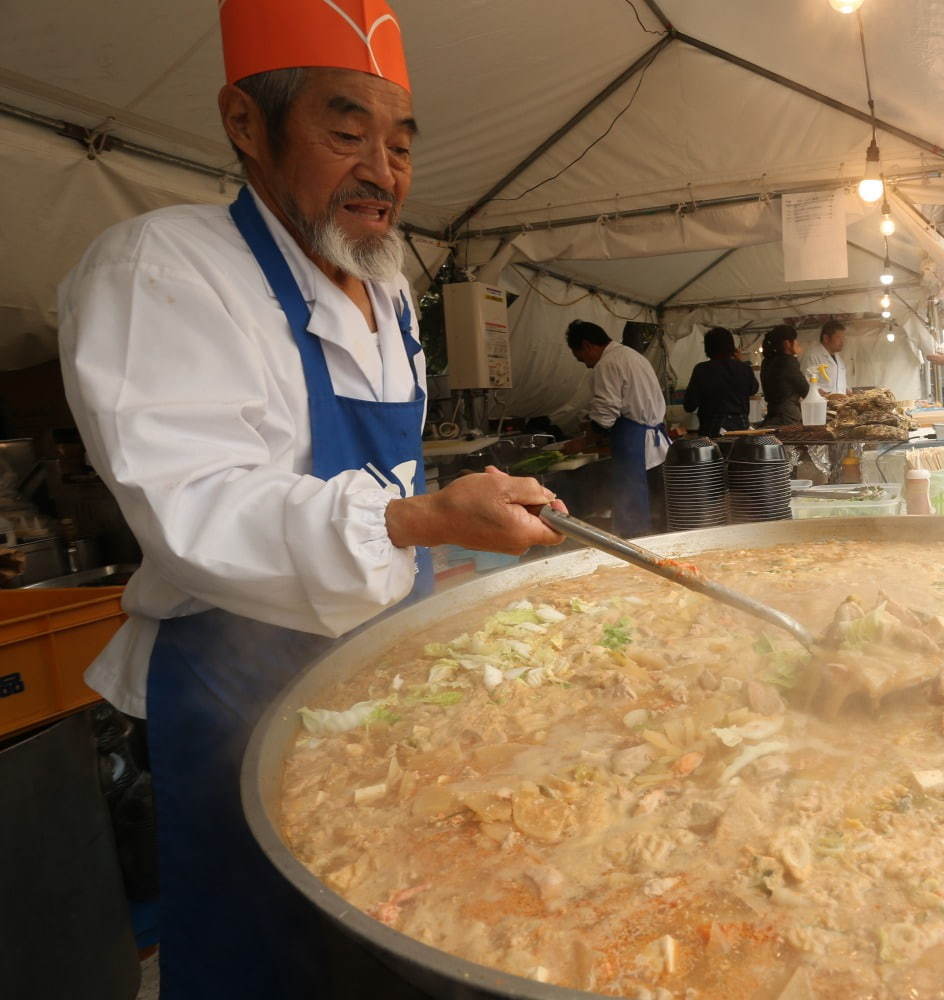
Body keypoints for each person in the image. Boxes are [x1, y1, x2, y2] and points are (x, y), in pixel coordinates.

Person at [55, 4, 567, 995]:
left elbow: (383, 475)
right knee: (270, 960)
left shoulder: (388, 283)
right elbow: (197, 505)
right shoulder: (165, 268)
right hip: (236, 696)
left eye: (401, 141)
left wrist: (441, 546)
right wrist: (418, 519)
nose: (384, 169)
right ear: (246, 123)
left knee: (419, 931)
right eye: (346, 132)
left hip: (392, 670)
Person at [561, 319, 668, 538]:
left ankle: (634, 544)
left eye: (581, 357)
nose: (586, 364)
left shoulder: (607, 363)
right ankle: (653, 538)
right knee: (648, 498)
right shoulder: (632, 356)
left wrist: (583, 441)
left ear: (588, 345)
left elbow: (606, 411)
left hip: (634, 441)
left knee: (631, 501)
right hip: (652, 435)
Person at [683, 326, 758, 437]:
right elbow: (753, 389)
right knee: (742, 454)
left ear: (708, 348)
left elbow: (689, 405)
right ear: (732, 347)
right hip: (741, 429)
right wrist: (740, 360)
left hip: (712, 431)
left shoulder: (702, 369)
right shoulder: (744, 368)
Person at [760, 325, 810, 427]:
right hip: (787, 416)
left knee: (774, 442)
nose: (798, 343)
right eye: (795, 340)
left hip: (772, 413)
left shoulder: (767, 361)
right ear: (787, 343)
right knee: (789, 442)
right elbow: (805, 390)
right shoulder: (788, 361)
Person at [801, 318, 849, 424]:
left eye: (843, 338)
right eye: (839, 338)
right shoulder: (813, 355)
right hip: (822, 411)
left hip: (840, 411)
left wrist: (847, 391)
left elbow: (839, 382)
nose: (842, 341)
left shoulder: (839, 358)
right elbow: (806, 383)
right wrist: (823, 394)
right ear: (826, 338)